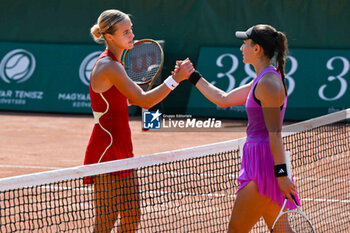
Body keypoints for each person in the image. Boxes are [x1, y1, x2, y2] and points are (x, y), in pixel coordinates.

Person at [84, 9, 194, 233]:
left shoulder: (116, 64)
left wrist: (141, 96)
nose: (132, 35)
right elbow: (144, 102)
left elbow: (120, 104)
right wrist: (175, 79)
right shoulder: (110, 66)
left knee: (132, 216)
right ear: (110, 36)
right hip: (107, 149)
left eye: (131, 29)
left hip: (123, 147)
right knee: (105, 221)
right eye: (125, 32)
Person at [184, 24, 300, 232]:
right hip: (261, 161)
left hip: (264, 166)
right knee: (282, 230)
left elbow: (274, 134)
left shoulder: (269, 84)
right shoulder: (262, 80)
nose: (241, 48)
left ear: (257, 49)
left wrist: (281, 176)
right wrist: (193, 76)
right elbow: (223, 99)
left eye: (245, 43)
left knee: (236, 230)